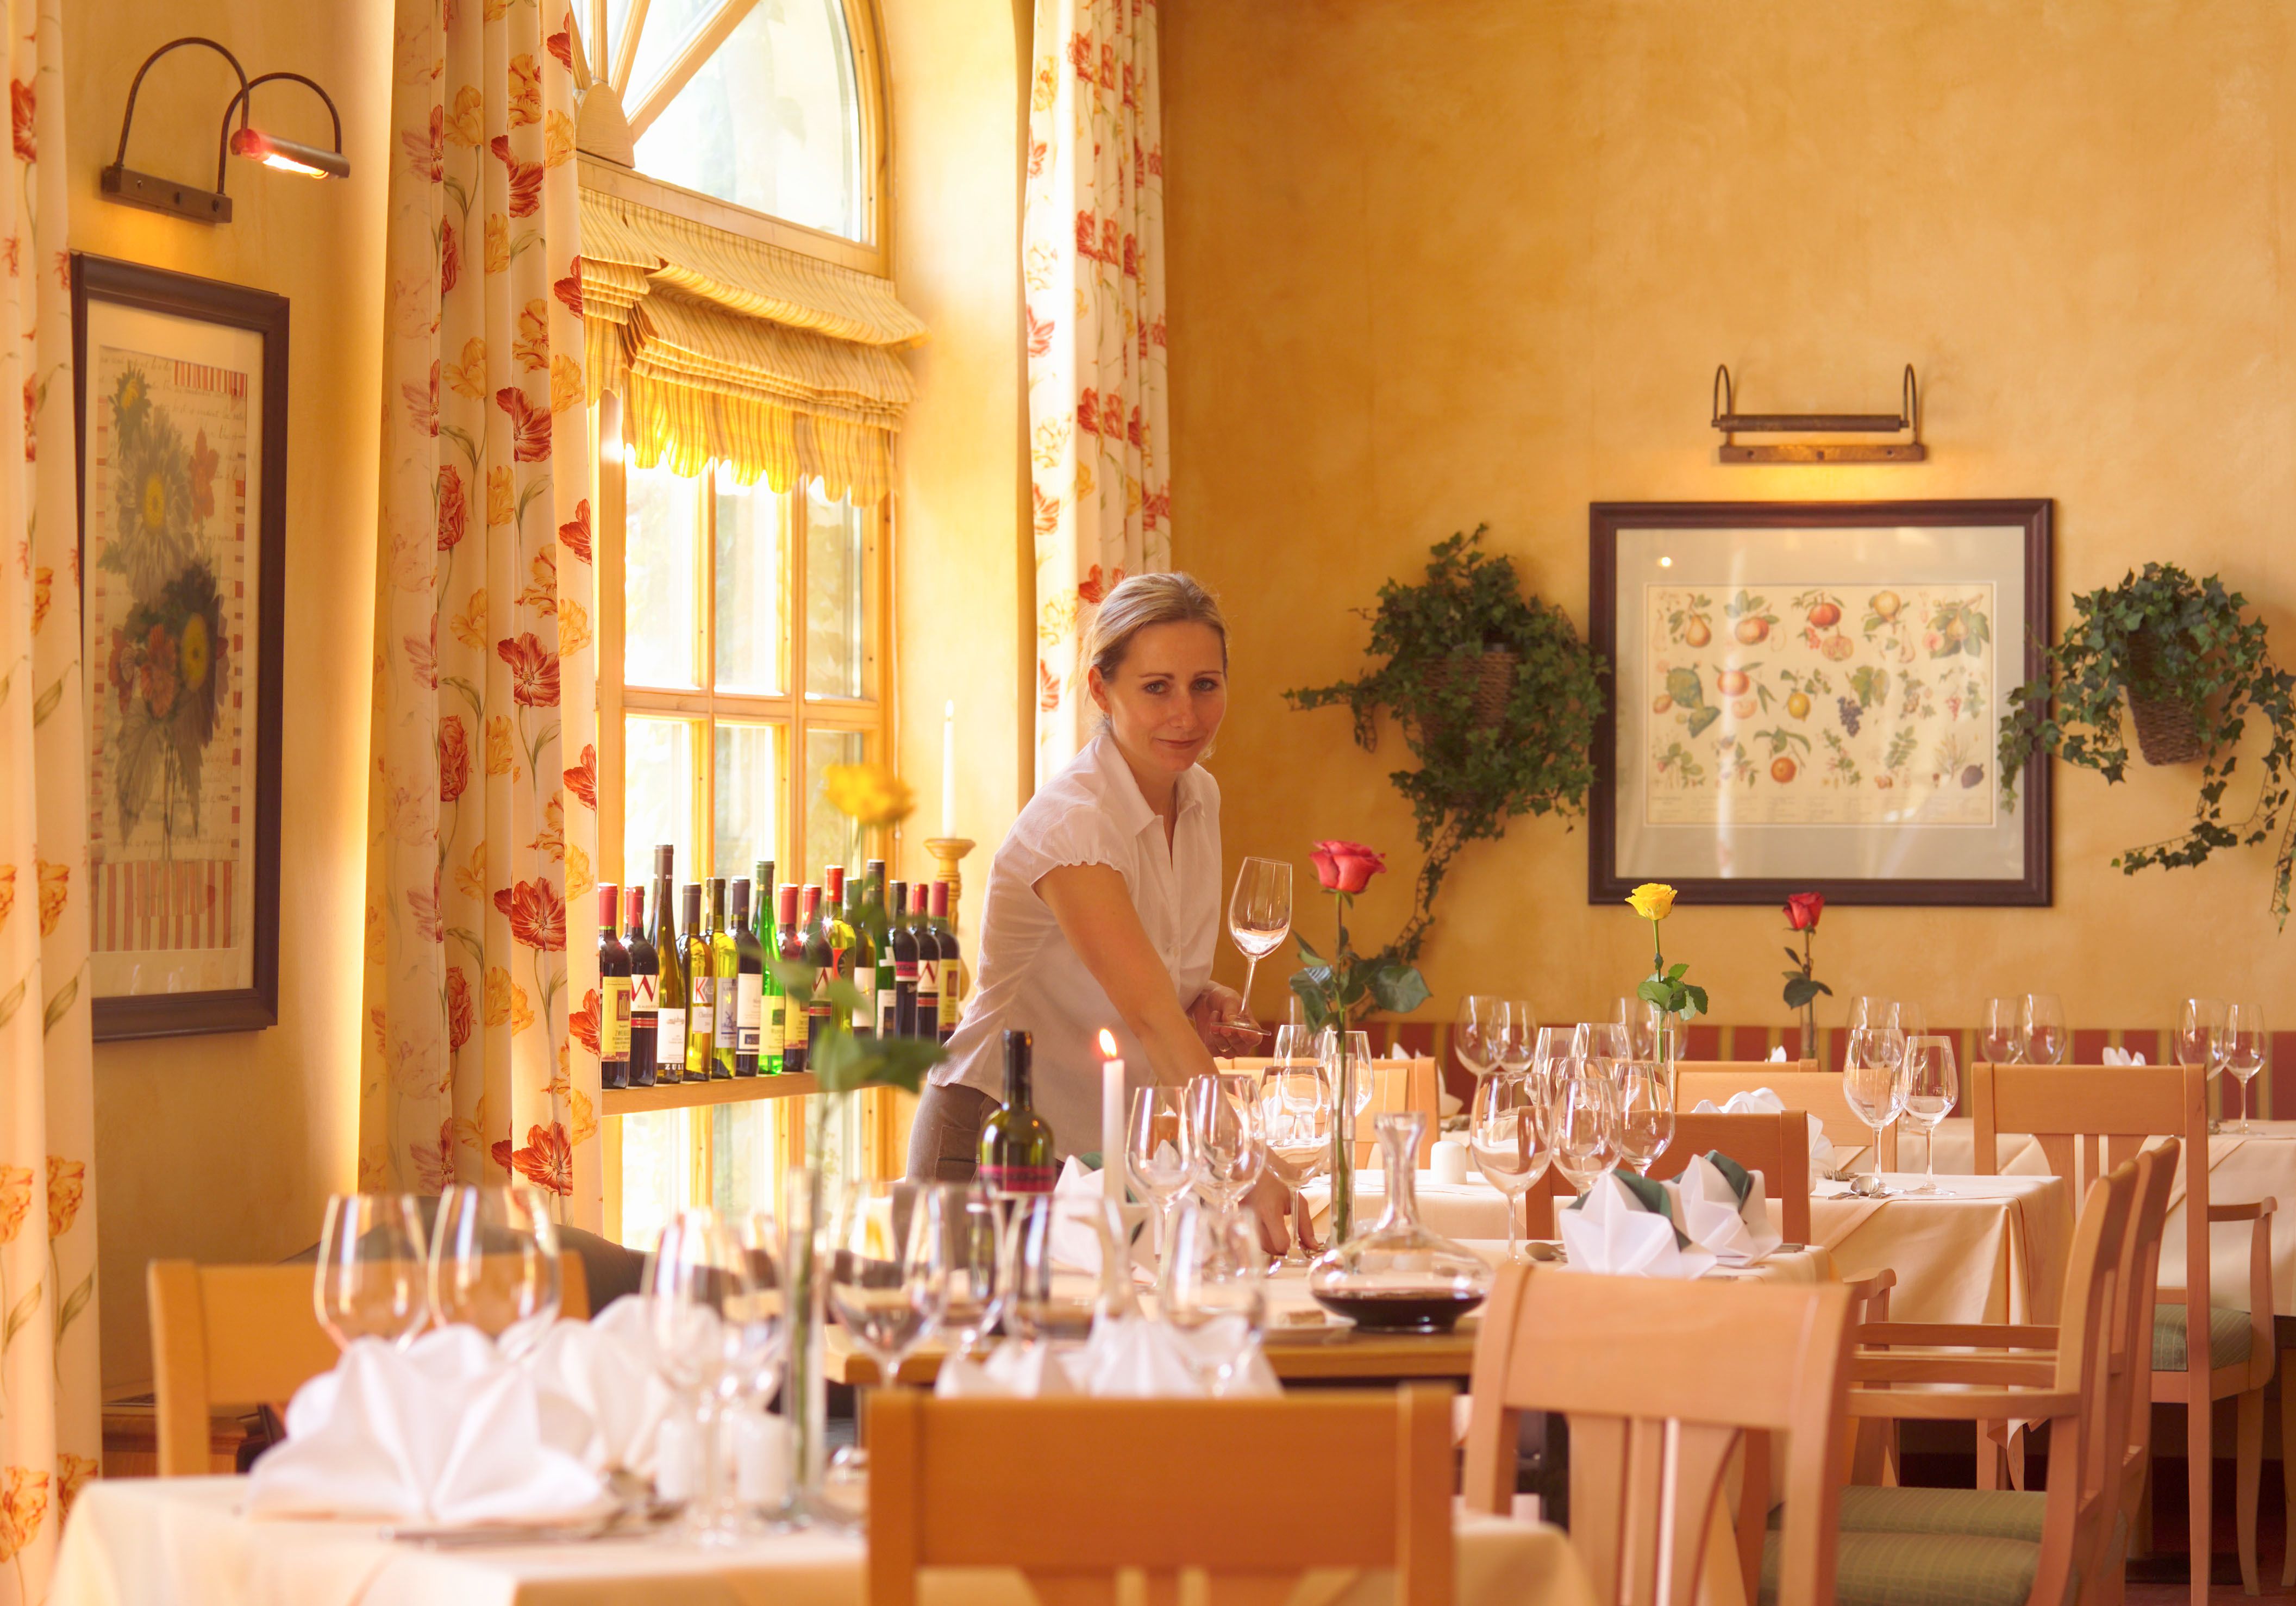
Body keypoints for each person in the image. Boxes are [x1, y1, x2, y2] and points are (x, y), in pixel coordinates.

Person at [907, 572, 1289, 1246]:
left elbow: (1149, 980)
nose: (1186, 714)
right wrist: (1244, 1162)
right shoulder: (1074, 824)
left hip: (1104, 1153)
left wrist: (1197, 997)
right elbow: (1147, 1015)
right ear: (1099, 689)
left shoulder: (1200, 797)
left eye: (1205, 684)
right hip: (994, 1139)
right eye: (1156, 687)